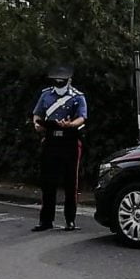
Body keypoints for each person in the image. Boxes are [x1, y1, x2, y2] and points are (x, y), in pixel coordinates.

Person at [31, 66, 88, 231]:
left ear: (69, 81)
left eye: (62, 83)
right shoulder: (46, 94)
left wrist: (70, 124)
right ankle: (46, 221)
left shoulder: (77, 97)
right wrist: (37, 124)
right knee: (48, 182)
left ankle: (70, 220)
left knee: (71, 183)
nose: (59, 85)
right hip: (50, 140)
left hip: (69, 141)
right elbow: (37, 113)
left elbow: (82, 117)